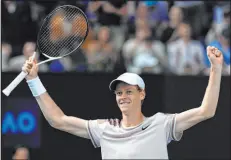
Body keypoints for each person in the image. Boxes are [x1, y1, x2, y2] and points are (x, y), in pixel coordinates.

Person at [22, 46, 223, 159]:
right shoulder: (105, 128)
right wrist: (33, 81)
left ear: (142, 94)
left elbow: (206, 111)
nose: (123, 96)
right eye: (119, 93)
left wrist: (215, 68)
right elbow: (58, 120)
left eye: (128, 91)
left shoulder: (161, 124)